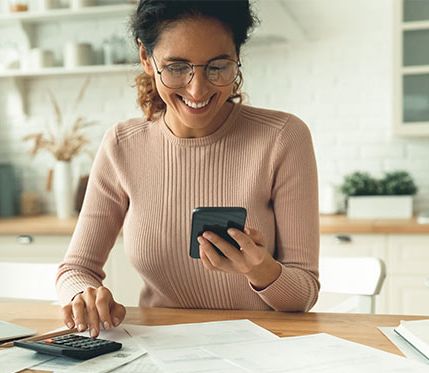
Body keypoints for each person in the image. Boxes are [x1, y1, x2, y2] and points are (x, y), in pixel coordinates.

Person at [56, 0, 320, 338]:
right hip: (161, 349)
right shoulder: (122, 145)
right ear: (145, 59)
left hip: (262, 347)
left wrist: (261, 269)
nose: (198, 89)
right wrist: (83, 295)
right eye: (177, 67)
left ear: (237, 57)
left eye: (218, 66)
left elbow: (303, 294)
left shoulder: (282, 137)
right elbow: (75, 269)